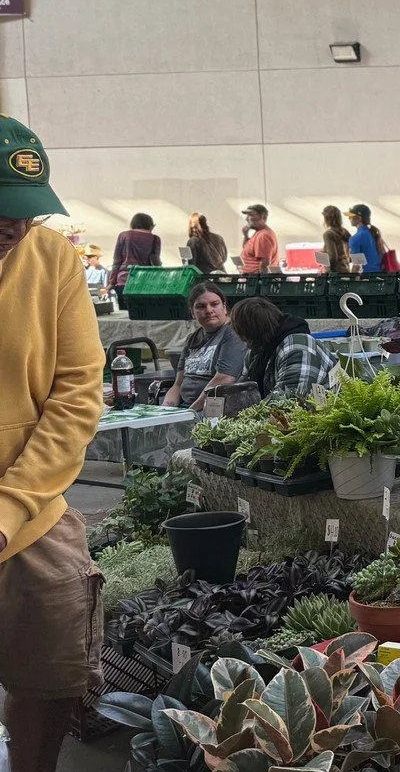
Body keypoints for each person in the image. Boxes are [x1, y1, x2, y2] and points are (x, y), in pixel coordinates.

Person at [0, 115, 105, 772]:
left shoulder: (53, 258)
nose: (14, 225)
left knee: (55, 670)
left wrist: (9, 506)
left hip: (32, 512)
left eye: (25, 211)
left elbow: (76, 392)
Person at [230, 297, 337, 400]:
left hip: (326, 409)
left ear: (250, 332)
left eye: (241, 334)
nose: (242, 340)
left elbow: (289, 399)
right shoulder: (258, 350)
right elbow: (242, 391)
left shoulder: (298, 348)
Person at [161, 282, 247, 410]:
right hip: (185, 408)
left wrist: (190, 412)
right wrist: (166, 410)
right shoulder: (193, 338)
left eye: (215, 304)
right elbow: (178, 384)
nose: (209, 310)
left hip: (213, 409)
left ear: (224, 307)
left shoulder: (233, 333)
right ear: (192, 312)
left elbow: (224, 379)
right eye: (201, 306)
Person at [110, 211, 161, 292]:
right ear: (150, 225)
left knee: (123, 300)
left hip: (124, 280)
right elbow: (156, 263)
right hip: (146, 281)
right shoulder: (155, 239)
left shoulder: (124, 235)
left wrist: (112, 282)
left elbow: (117, 261)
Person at [240, 204, 279, 273]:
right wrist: (246, 236)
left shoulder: (263, 235)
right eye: (247, 215)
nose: (247, 218)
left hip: (255, 278)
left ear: (263, 217)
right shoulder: (259, 233)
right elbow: (247, 252)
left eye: (251, 215)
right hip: (251, 277)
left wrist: (261, 279)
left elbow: (265, 263)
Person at [346, 204, 384, 273]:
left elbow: (357, 266)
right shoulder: (374, 233)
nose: (349, 218)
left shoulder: (355, 239)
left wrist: (351, 277)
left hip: (366, 277)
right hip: (380, 275)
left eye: (351, 216)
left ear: (359, 218)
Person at [321, 205, 351, 273]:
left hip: (335, 272)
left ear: (326, 218)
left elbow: (332, 257)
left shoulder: (328, 234)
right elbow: (352, 246)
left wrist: (323, 260)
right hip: (346, 269)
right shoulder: (344, 231)